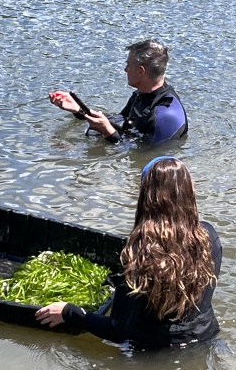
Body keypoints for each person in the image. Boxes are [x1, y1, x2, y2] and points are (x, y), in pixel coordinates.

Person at [35, 157, 222, 349]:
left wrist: (69, 312)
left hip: (155, 352)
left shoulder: (139, 253)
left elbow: (117, 330)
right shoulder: (209, 236)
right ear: (188, 191)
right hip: (206, 337)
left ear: (146, 196)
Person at [48, 39, 189, 145]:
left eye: (128, 65)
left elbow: (144, 156)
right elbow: (121, 121)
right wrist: (79, 110)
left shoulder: (164, 115)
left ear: (141, 71)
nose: (125, 70)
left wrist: (108, 132)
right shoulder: (141, 95)